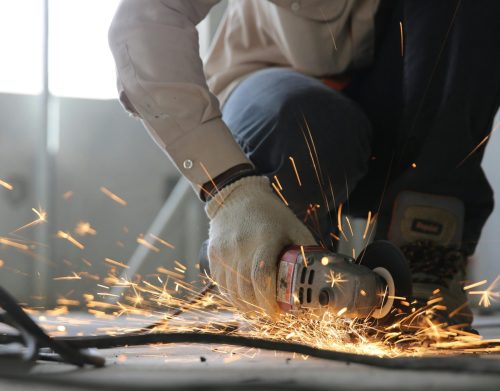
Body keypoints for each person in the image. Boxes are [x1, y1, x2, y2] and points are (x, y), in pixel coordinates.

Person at [108, 0, 499, 327]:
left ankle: (424, 250)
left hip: (420, 127)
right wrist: (229, 189)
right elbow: (145, 19)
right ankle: (267, 260)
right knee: (307, 122)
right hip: (284, 102)